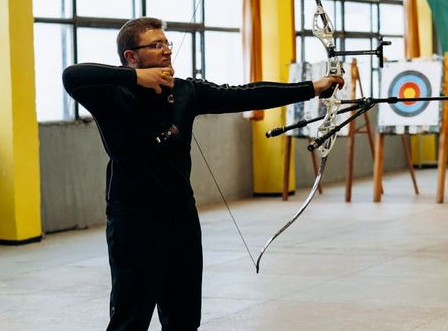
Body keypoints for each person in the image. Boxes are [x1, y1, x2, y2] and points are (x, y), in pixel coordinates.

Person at [62, 17, 343, 331]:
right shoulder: (111, 95)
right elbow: (72, 75)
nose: (167, 50)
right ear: (131, 56)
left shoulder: (185, 91)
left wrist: (312, 87)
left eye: (167, 43)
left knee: (183, 318)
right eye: (156, 45)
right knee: (130, 319)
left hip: (182, 218)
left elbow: (246, 94)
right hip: (134, 222)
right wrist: (136, 79)